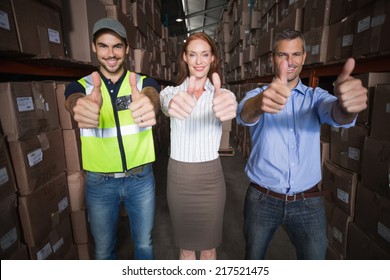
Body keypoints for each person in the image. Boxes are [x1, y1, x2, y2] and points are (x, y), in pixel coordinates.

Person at [236, 29, 367, 260]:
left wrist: (347, 107)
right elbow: (245, 114)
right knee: (252, 261)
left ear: (304, 57)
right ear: (272, 59)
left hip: (308, 202)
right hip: (262, 199)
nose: (290, 61)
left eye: (296, 54)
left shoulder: (315, 97)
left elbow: (336, 113)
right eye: (282, 55)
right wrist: (261, 102)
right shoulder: (257, 95)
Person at [64, 18, 160, 260]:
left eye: (117, 46)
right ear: (94, 47)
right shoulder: (81, 87)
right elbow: (73, 101)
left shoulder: (142, 82)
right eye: (103, 46)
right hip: (100, 183)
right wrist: (79, 106)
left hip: (140, 179)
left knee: (144, 244)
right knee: (104, 250)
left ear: (126, 49)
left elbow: (152, 95)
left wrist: (150, 102)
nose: (111, 53)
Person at [160, 32, 237, 260]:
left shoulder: (223, 95)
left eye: (205, 54)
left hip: (210, 180)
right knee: (185, 248)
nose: (199, 61)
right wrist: (173, 104)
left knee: (209, 248)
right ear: (184, 57)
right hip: (179, 179)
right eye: (192, 54)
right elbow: (165, 104)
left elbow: (230, 104)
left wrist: (229, 105)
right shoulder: (171, 93)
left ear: (213, 57)